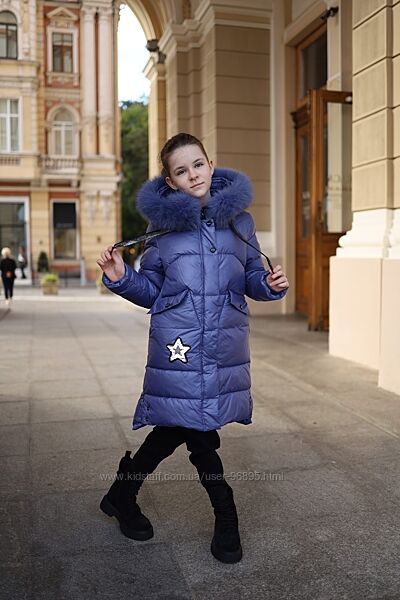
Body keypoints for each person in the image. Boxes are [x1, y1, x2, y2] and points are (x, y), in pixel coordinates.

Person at [97, 133, 289, 564]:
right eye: (181, 171)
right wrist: (121, 277)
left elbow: (251, 276)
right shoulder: (162, 229)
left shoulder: (240, 221)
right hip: (179, 344)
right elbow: (152, 290)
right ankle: (226, 515)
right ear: (170, 181)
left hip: (221, 343)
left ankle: (122, 494)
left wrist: (270, 284)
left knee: (176, 427)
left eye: (198, 164)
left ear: (210, 164)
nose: (193, 175)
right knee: (198, 431)